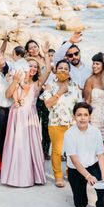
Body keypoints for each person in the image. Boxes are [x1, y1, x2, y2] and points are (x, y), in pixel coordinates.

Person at [0, 56, 51, 188]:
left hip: (30, 115)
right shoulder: (17, 79)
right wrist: (15, 81)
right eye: (30, 66)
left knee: (30, 144)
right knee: (16, 143)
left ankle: (32, 176)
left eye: (35, 66)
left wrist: (43, 54)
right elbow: (7, 95)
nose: (33, 68)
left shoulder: (37, 83)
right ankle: (14, 176)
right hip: (16, 114)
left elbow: (49, 69)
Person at [63, 102, 104, 207]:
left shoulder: (95, 132)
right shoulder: (69, 134)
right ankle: (81, 189)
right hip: (76, 170)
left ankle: (101, 205)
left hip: (92, 165)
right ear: (74, 116)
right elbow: (74, 160)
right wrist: (88, 176)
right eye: (79, 115)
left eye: (85, 114)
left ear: (89, 116)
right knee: (80, 205)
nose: (82, 118)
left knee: (102, 182)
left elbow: (100, 155)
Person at [40, 59, 82, 187]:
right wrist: (60, 92)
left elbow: (79, 105)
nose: (63, 70)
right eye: (60, 68)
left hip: (72, 123)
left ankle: (71, 173)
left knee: (72, 151)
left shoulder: (75, 85)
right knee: (57, 151)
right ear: (56, 70)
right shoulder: (50, 85)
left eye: (66, 68)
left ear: (69, 72)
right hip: (55, 122)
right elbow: (48, 104)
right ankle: (58, 176)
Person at [83, 52, 104, 144]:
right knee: (95, 146)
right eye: (93, 63)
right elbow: (87, 102)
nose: (94, 66)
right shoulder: (90, 80)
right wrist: (87, 119)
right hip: (95, 118)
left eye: (97, 64)